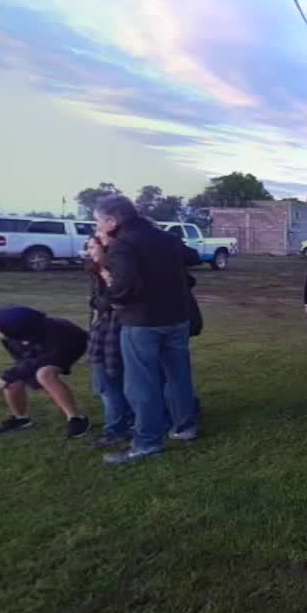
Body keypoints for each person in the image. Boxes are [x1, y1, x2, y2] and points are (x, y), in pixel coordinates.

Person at [95, 194, 203, 464]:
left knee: (142, 384)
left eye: (98, 221)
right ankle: (185, 427)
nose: (97, 226)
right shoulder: (165, 237)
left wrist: (105, 298)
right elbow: (193, 258)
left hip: (141, 322)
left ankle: (146, 443)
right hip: (177, 318)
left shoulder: (122, 244)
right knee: (178, 376)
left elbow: (125, 285)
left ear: (111, 220)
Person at [0, 306, 90, 438]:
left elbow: (43, 358)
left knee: (44, 374)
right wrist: (16, 375)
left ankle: (76, 419)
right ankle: (21, 419)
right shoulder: (9, 335)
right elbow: (22, 358)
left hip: (70, 346)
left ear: (18, 329)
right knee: (13, 380)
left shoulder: (56, 331)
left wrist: (11, 375)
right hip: (41, 351)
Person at [85, 235, 134, 448]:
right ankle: (127, 420)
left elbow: (113, 302)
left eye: (92, 247)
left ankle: (116, 429)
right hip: (103, 329)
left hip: (113, 331)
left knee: (107, 384)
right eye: (87, 247)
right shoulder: (99, 273)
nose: (89, 252)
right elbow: (98, 303)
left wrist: (101, 300)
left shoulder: (114, 273)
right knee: (114, 381)